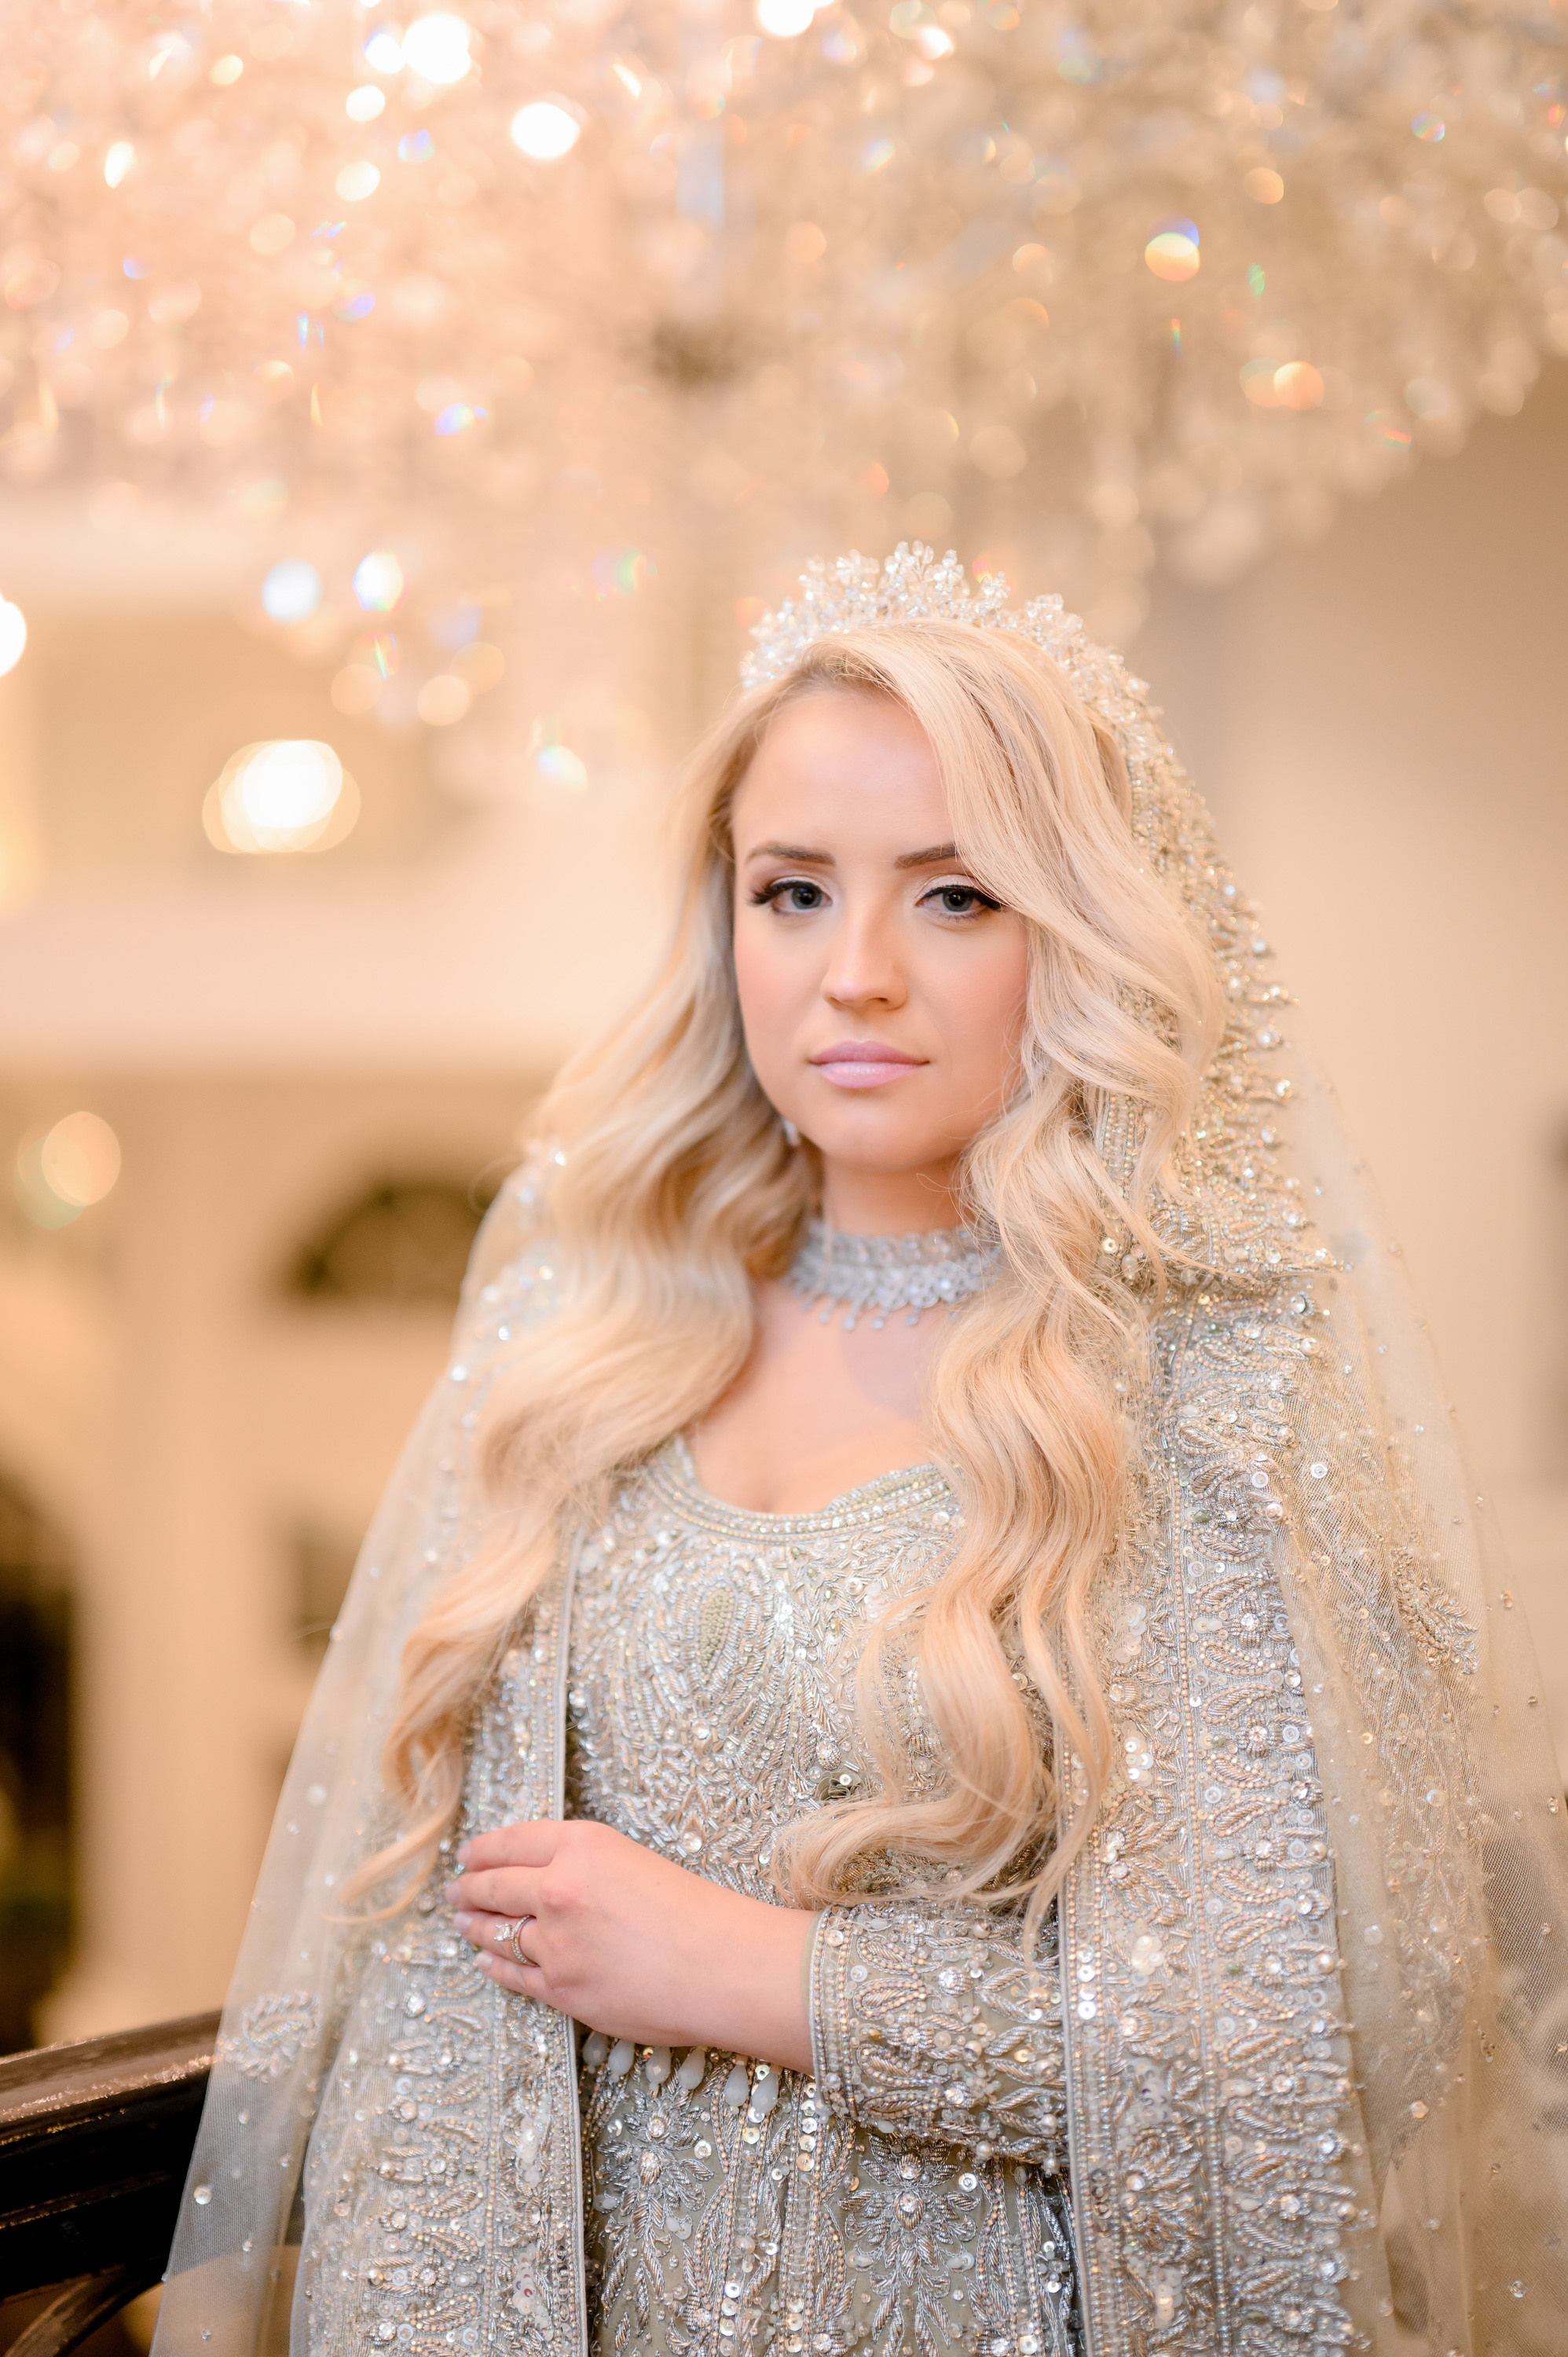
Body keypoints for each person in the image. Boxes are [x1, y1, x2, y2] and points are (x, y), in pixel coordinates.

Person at [156, 548, 1568, 2357]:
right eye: (792, 891)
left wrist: (759, 1976)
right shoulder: (579, 1341)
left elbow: (1288, 2070)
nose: (857, 976)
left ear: (1071, 929)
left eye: (956, 895)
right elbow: (425, 1974)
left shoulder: (1203, 1394)